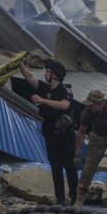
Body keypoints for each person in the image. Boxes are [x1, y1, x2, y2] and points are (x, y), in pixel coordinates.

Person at [19, 59, 77, 205]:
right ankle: (61, 198)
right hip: (51, 134)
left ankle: (75, 197)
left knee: (69, 166)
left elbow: (64, 105)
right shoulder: (45, 89)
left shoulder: (65, 90)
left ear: (55, 74)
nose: (45, 74)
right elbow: (31, 78)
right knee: (55, 167)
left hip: (65, 135)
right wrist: (19, 64)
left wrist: (43, 101)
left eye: (47, 71)